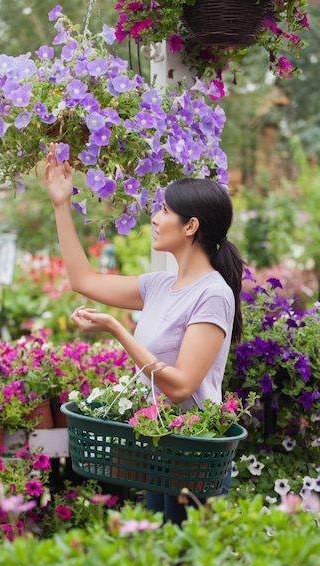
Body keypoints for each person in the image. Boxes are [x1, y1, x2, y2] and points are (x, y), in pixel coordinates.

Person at [45, 143, 244, 524]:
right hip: (159, 444)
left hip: (196, 454)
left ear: (190, 226)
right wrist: (60, 204)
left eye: (165, 210)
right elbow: (82, 280)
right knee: (161, 565)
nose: (154, 217)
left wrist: (117, 328)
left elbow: (182, 386)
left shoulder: (213, 293)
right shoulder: (158, 286)